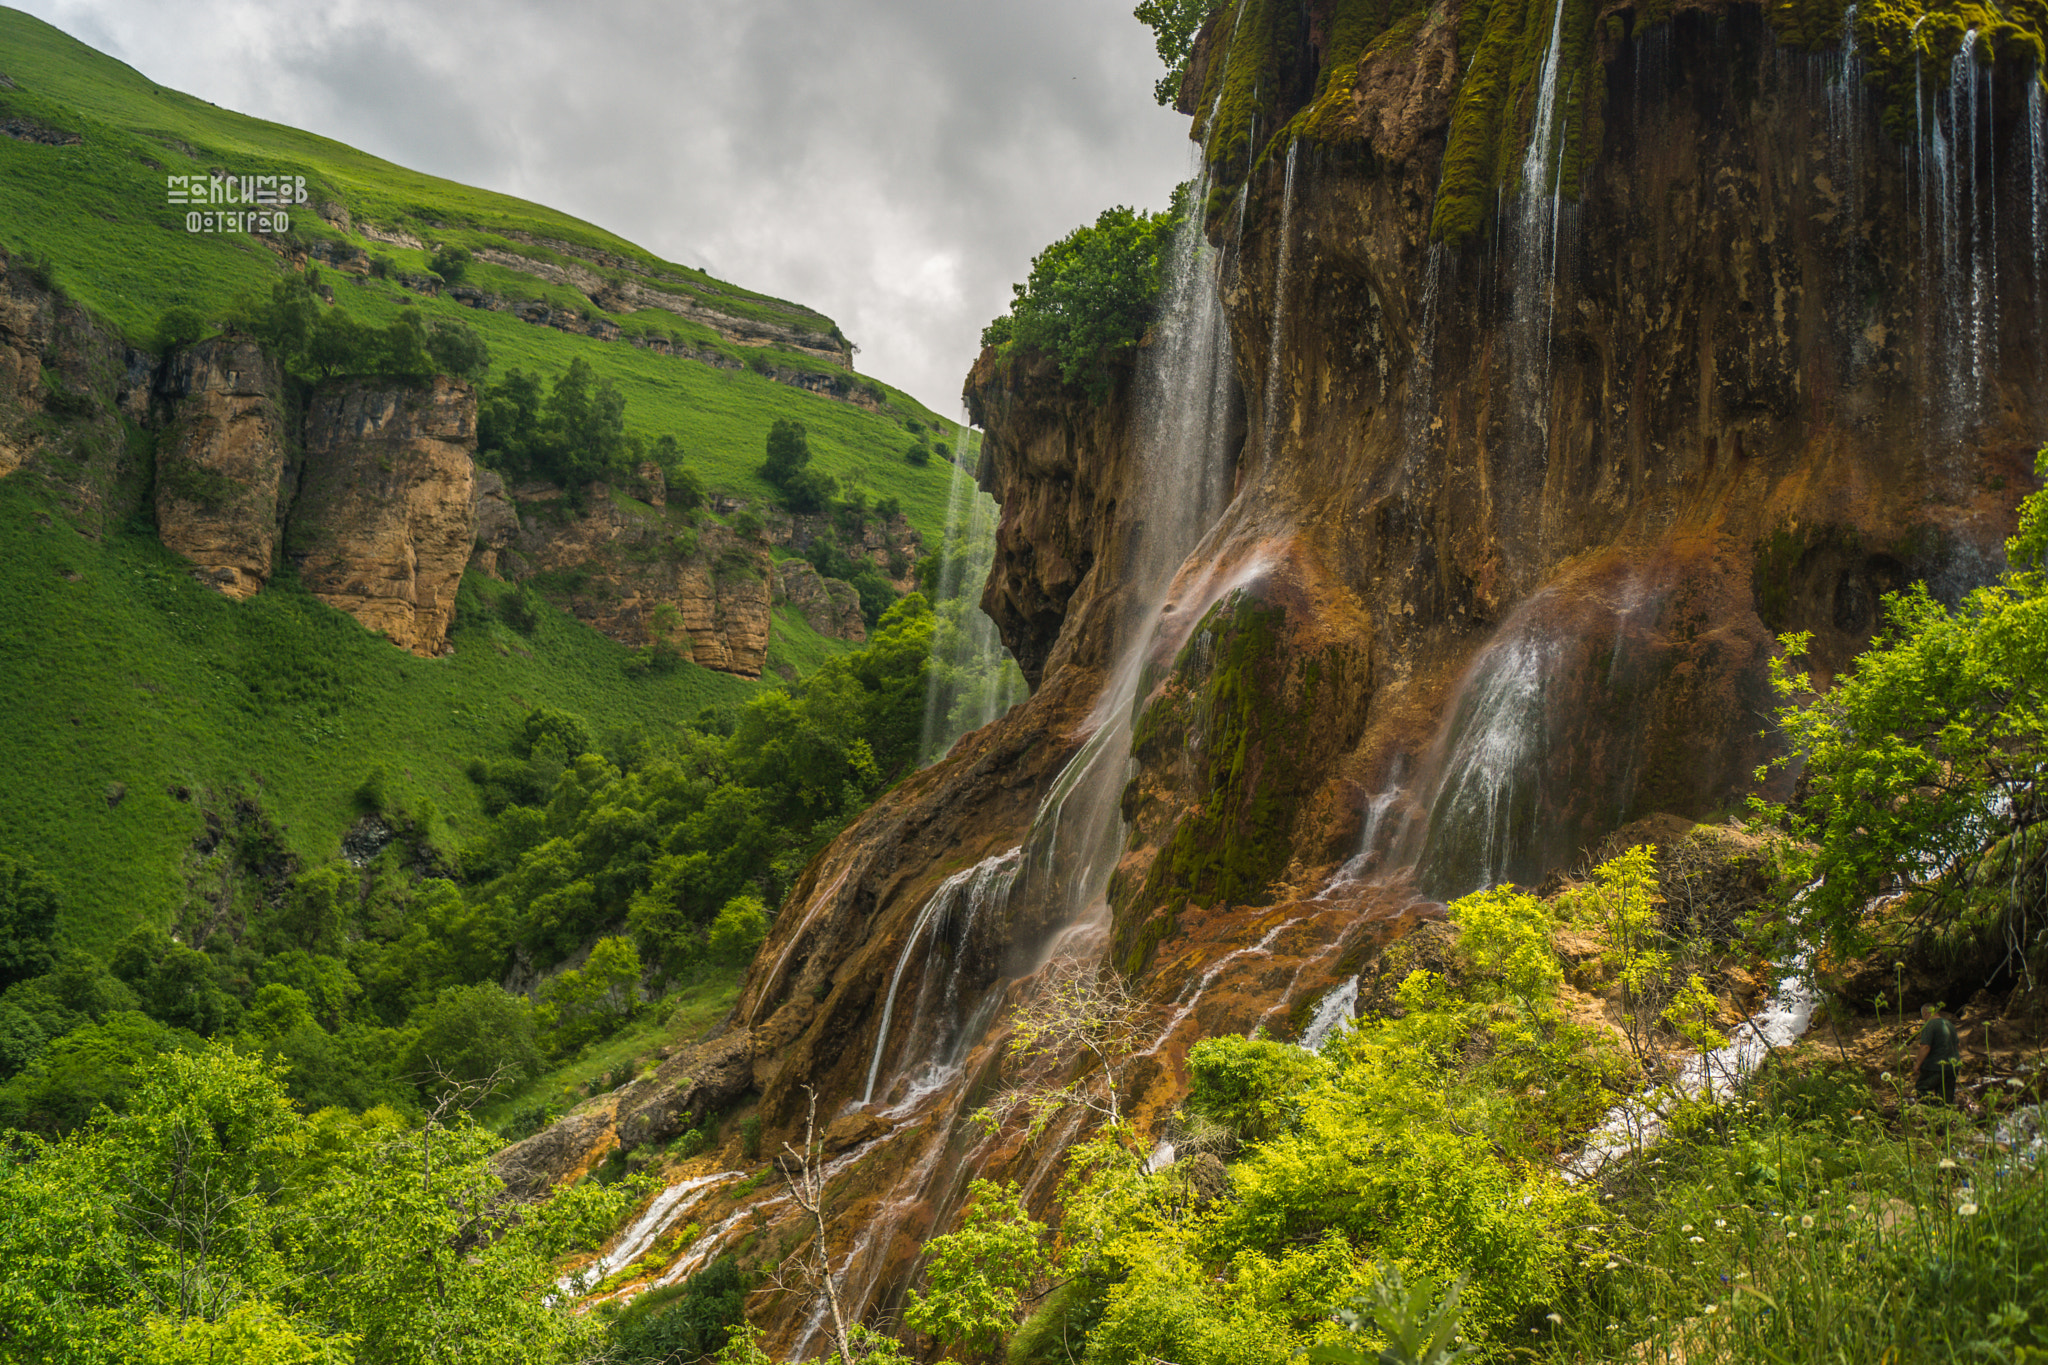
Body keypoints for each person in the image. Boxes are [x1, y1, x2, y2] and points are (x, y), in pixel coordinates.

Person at [1910, 1002, 1961, 1104]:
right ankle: (1946, 1114)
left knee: (1921, 1088)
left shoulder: (1930, 1025)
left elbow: (1925, 1047)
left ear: (1925, 1013)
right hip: (1952, 1066)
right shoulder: (1949, 1024)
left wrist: (1918, 1064)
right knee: (1946, 1097)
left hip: (1935, 1067)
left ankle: (1930, 1110)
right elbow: (1956, 1044)